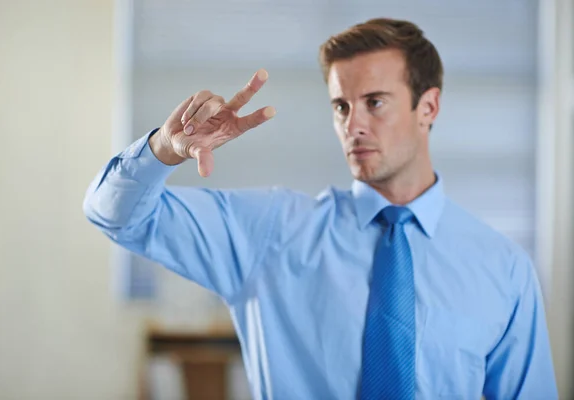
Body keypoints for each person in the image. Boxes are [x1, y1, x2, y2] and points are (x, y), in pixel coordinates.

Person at [84, 18, 558, 399]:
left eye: (375, 103)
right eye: (340, 107)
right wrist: (164, 148)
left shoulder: (503, 269)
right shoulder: (268, 232)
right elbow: (114, 213)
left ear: (428, 107)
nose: (354, 126)